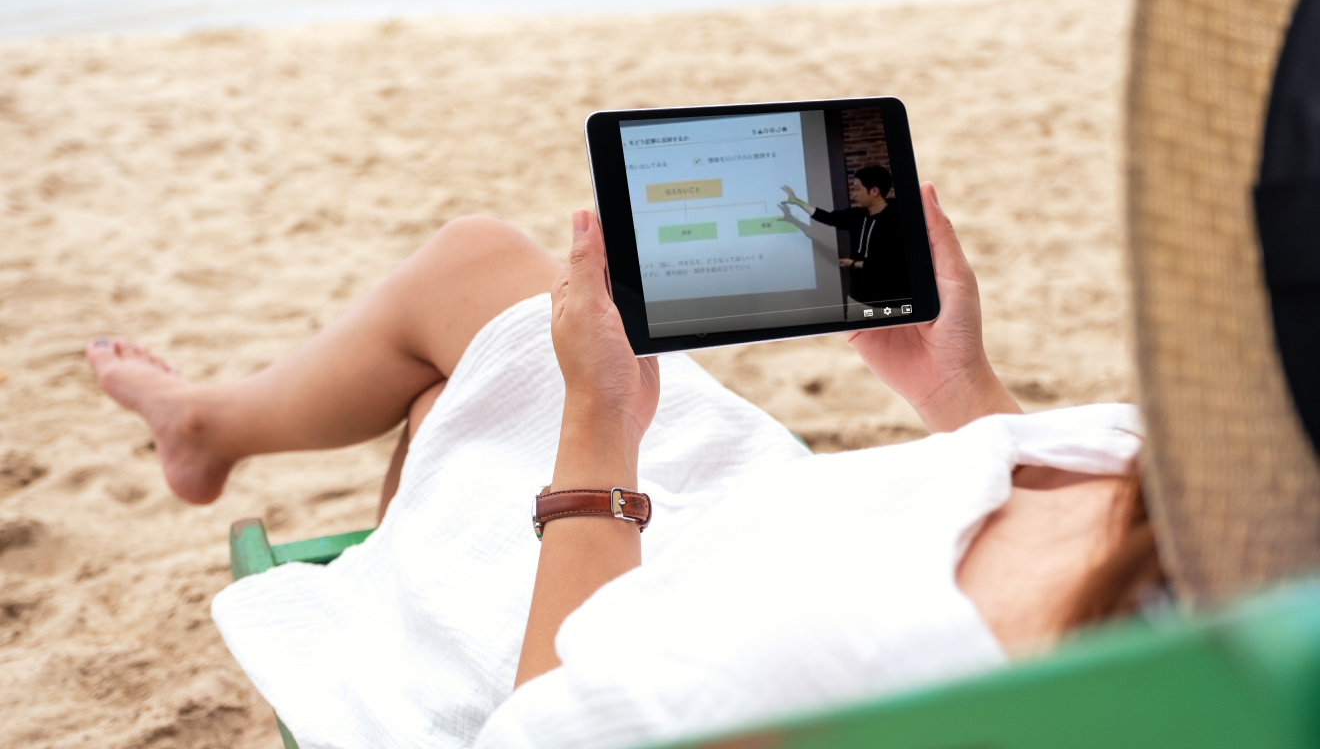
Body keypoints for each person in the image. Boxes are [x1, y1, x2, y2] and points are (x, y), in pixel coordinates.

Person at [86, 182, 1161, 749]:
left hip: (648, 593)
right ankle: (213, 425)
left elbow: (544, 727)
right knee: (477, 298)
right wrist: (963, 396)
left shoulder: (874, 664)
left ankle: (208, 427)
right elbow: (1096, 555)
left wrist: (599, 421)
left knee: (458, 355)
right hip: (772, 519)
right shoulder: (1206, 539)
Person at [780, 165, 911, 304]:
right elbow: (828, 218)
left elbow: (893, 262)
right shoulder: (857, 216)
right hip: (859, 297)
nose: (854, 194)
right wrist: (798, 204)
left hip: (893, 299)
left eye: (857, 189)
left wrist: (854, 263)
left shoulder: (897, 219)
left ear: (874, 191)